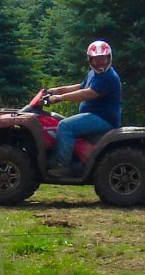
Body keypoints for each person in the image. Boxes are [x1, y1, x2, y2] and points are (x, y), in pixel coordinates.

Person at [46, 40, 122, 177]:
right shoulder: (94, 74)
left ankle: (64, 166)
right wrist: (56, 90)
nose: (100, 63)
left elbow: (87, 93)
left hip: (104, 119)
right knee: (55, 120)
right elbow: (80, 87)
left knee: (65, 126)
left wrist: (60, 98)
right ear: (90, 60)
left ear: (109, 58)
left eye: (103, 59)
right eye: (96, 59)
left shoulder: (108, 77)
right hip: (94, 116)